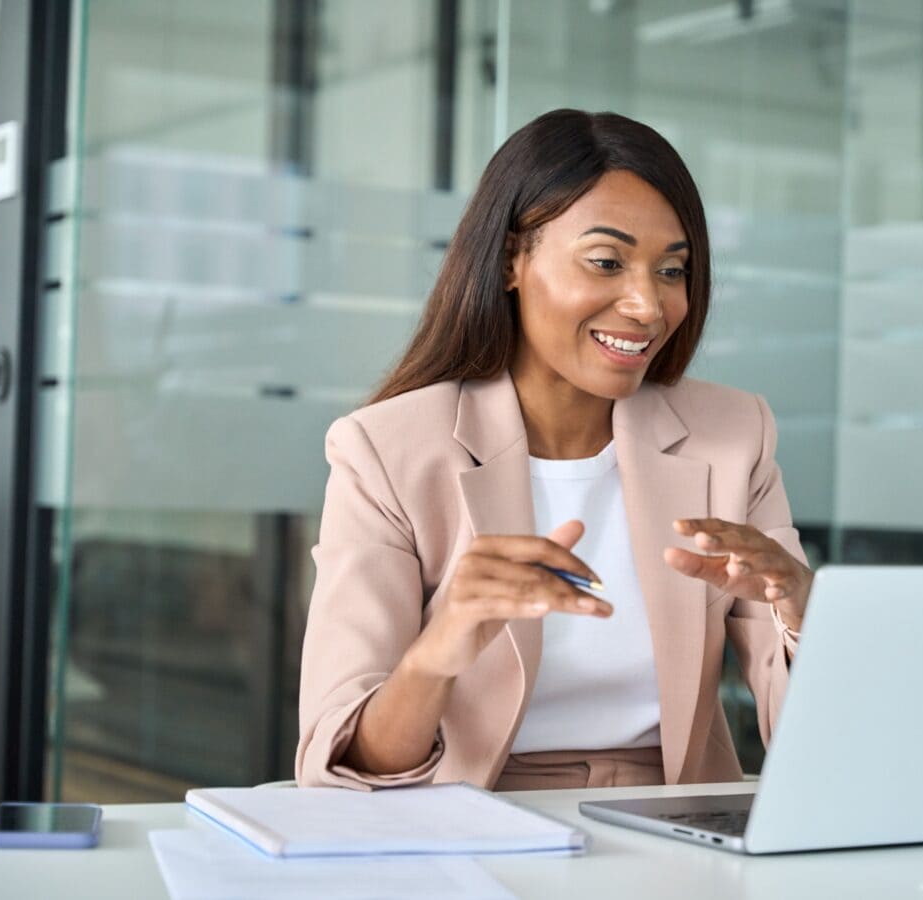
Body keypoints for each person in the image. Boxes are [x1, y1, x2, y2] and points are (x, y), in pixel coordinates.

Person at [296, 109, 814, 792]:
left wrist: (802, 609)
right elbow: (339, 770)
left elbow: (817, 744)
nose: (648, 307)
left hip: (674, 827)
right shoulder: (387, 452)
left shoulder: (732, 434)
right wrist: (440, 647)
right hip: (466, 823)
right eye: (607, 262)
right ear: (512, 260)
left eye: (671, 271)